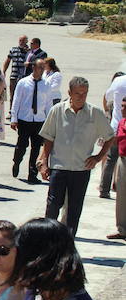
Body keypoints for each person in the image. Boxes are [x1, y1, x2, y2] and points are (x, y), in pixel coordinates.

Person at [38, 77, 114, 236]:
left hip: (81, 169)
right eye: (77, 93)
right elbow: (48, 138)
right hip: (59, 168)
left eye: (84, 93)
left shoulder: (95, 113)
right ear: (69, 93)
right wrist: (44, 162)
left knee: (74, 209)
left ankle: (68, 244)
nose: (81, 97)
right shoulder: (57, 111)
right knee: (52, 207)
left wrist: (98, 157)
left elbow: (109, 136)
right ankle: (48, 241)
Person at [11, 59, 52, 185]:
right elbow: (16, 100)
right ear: (33, 68)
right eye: (39, 67)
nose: (41, 70)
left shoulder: (46, 84)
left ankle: (32, 174)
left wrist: (49, 121)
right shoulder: (23, 83)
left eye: (43, 67)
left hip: (39, 120)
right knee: (22, 146)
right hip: (25, 119)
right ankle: (17, 161)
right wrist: (14, 118)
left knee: (35, 149)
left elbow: (48, 103)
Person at [101, 70, 126, 198]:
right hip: (119, 126)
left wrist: (107, 112)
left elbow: (107, 97)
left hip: (116, 126)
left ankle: (104, 190)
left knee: (110, 160)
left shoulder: (118, 81)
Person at [109, 97, 126, 240]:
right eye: (122, 106)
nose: (122, 109)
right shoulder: (121, 123)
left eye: (125, 107)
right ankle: (122, 229)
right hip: (122, 161)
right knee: (121, 196)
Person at [4, 35, 29, 107]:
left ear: (26, 41)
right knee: (12, 93)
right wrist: (4, 71)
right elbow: (8, 60)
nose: (21, 42)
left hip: (24, 76)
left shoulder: (29, 51)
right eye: (20, 40)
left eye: (23, 41)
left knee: (23, 94)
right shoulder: (13, 49)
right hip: (14, 75)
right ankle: (11, 110)